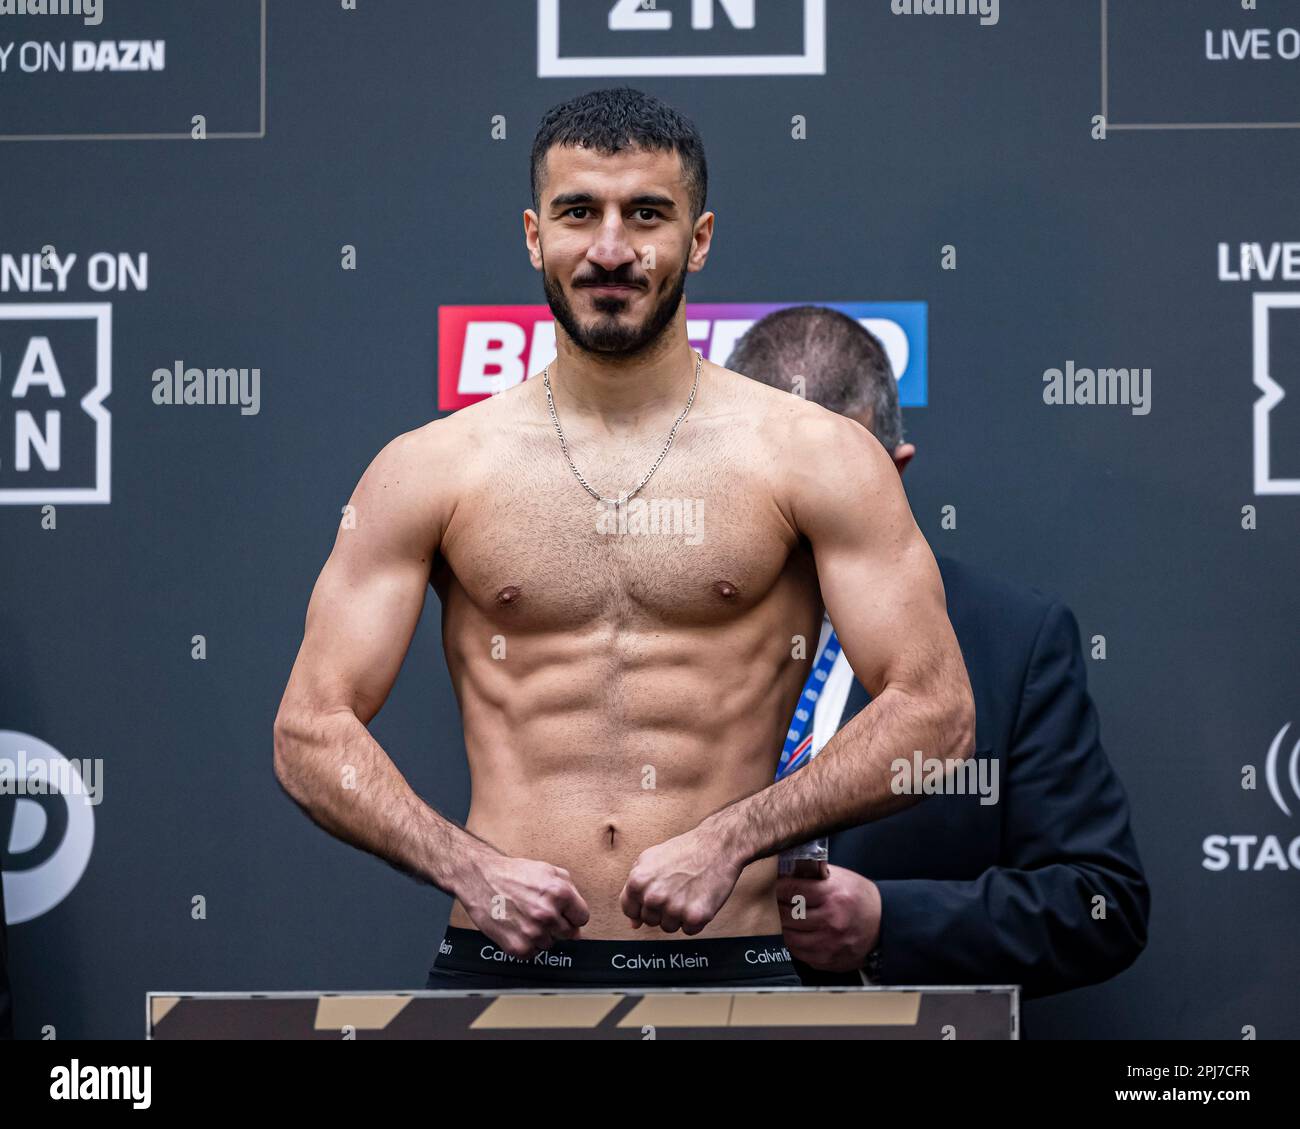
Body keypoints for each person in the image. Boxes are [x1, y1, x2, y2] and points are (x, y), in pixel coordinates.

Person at [272, 89, 975, 992]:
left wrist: (737, 836)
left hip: (733, 966)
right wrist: (466, 866)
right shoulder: (432, 468)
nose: (610, 249)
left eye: (647, 213)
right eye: (578, 213)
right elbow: (308, 729)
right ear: (534, 236)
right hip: (504, 970)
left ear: (700, 237)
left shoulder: (812, 456)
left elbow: (936, 712)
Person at [729, 305, 1150, 998]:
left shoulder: (1010, 640)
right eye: (783, 491)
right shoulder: (641, 627)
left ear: (897, 472)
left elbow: (1101, 901)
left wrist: (891, 921)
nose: (811, 522)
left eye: (842, 490)